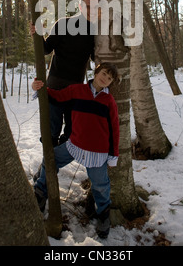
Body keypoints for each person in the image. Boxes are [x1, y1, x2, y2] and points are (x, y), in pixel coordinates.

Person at [32, 62, 120, 239]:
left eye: (109, 78)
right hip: (75, 145)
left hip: (97, 153)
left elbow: (115, 129)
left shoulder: (109, 101)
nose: (105, 79)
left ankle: (103, 216)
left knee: (101, 186)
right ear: (96, 72)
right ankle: (41, 191)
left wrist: (113, 155)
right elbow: (56, 97)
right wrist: (39, 87)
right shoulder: (78, 90)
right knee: (50, 159)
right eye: (103, 74)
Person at [32, 0, 99, 147]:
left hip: (76, 89)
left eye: (95, 7)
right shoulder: (63, 23)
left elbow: (96, 59)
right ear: (80, 6)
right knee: (51, 131)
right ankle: (48, 168)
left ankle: (57, 158)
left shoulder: (95, 32)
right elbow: (46, 49)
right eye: (88, 6)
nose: (91, 11)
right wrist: (38, 34)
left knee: (71, 132)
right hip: (55, 85)